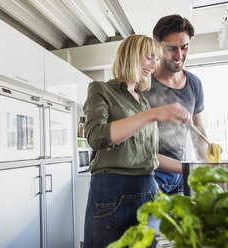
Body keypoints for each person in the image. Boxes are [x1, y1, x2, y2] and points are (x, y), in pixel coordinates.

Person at [83, 34, 191, 248]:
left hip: (147, 191)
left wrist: (191, 169)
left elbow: (149, 156)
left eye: (157, 59)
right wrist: (152, 115)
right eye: (149, 57)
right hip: (113, 194)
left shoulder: (143, 103)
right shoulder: (101, 90)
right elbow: (96, 136)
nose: (154, 65)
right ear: (131, 56)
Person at [143, 14, 208, 195]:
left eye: (184, 47)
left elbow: (198, 129)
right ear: (157, 47)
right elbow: (134, 146)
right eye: (171, 48)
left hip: (181, 176)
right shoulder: (143, 82)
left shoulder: (194, 83)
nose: (179, 55)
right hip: (150, 177)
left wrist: (209, 168)